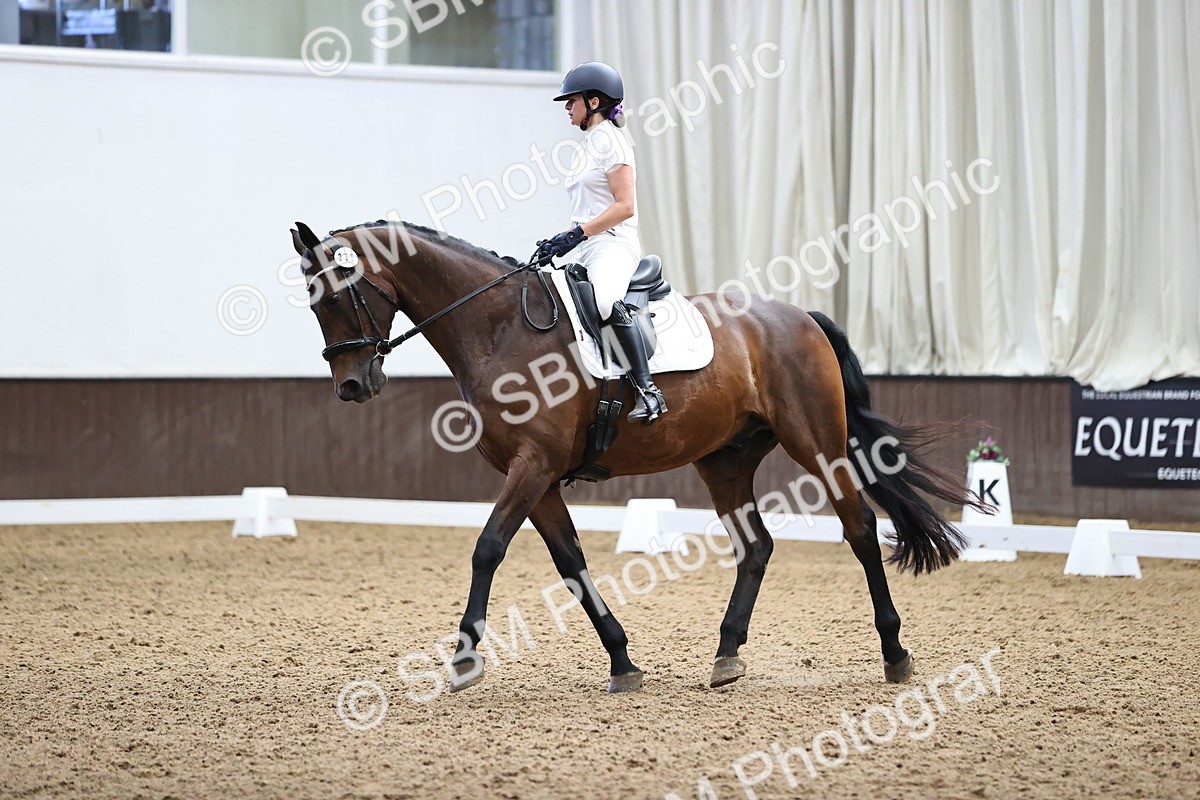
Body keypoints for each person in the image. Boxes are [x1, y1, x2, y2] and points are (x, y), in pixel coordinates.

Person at [537, 61, 667, 423]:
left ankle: (648, 390)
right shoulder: (588, 143)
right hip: (587, 243)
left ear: (593, 102)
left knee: (607, 302)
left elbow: (625, 207)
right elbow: (588, 206)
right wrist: (562, 239)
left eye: (572, 100)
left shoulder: (612, 142)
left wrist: (578, 233)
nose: (567, 107)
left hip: (613, 243)